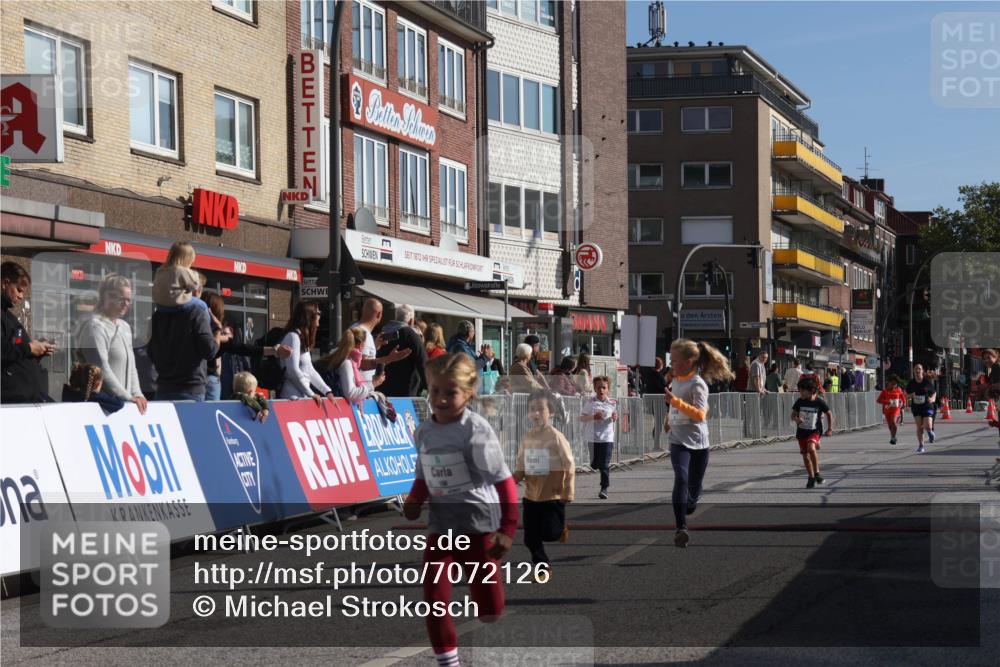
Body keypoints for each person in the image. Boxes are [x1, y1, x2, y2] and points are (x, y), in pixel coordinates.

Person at [402, 354, 518, 667]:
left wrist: (507, 529)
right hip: (441, 528)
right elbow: (424, 475)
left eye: (450, 392)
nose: (440, 399)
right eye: (434, 390)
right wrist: (414, 500)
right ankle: (448, 662)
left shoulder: (476, 431)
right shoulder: (424, 432)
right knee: (434, 600)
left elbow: (504, 482)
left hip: (478, 526)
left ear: (468, 393)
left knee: (490, 610)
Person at [663, 339, 734, 547]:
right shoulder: (675, 379)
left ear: (689, 362)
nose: (671, 364)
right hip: (678, 440)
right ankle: (681, 528)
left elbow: (700, 415)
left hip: (698, 442)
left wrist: (675, 402)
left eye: (674, 360)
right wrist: (668, 418)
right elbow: (674, 406)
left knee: (694, 486)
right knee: (681, 479)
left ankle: (693, 499)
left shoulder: (697, 384)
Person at [513, 389, 574, 573]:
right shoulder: (527, 437)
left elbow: (569, 464)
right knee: (530, 538)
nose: (536, 413)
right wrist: (510, 481)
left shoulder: (556, 436)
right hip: (531, 495)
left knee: (550, 533)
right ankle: (543, 566)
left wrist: (568, 490)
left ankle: (561, 529)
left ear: (551, 412)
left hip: (553, 495)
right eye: (532, 409)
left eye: (541, 409)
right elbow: (521, 464)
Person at [76, 274, 148, 413]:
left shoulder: (124, 327)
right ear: (106, 297)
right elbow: (101, 368)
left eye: (128, 300)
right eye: (121, 299)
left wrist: (138, 394)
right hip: (101, 408)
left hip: (121, 406)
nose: (126, 304)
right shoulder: (94, 326)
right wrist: (127, 397)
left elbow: (132, 367)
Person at [149, 266, 220, 402]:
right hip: (190, 389)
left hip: (163, 387)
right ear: (196, 290)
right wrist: (217, 330)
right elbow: (209, 351)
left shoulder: (159, 314)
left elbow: (152, 353)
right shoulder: (197, 310)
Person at [1, 261, 55, 403]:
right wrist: (30, 348)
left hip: (26, 398)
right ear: (5, 283)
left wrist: (37, 351)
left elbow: (15, 349)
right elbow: (4, 352)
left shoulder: (9, 317)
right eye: (19, 290)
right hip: (10, 401)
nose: (21, 297)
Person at [279, 301, 335, 405]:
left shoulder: (301, 338)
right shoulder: (293, 337)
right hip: (292, 397)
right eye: (318, 313)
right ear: (309, 316)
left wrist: (327, 391)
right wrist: (311, 393)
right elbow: (292, 370)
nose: (320, 316)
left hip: (302, 396)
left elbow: (309, 369)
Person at [351, 298, 411, 391]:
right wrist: (390, 358)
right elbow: (361, 363)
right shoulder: (364, 333)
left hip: (359, 389)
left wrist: (375, 346)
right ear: (379, 314)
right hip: (360, 390)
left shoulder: (355, 328)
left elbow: (356, 358)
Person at [321, 326, 383, 404]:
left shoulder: (345, 359)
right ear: (361, 344)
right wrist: (373, 383)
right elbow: (351, 393)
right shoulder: (346, 363)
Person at [791, 375, 834, 488]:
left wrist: (830, 428)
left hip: (815, 430)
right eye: (799, 390)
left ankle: (817, 473)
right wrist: (796, 419)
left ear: (810, 391)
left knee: (811, 448)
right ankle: (811, 477)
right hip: (802, 432)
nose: (800, 393)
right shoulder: (800, 401)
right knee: (806, 457)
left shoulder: (819, 402)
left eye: (802, 391)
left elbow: (829, 414)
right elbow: (792, 415)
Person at [378, 304, 427, 398]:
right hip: (404, 390)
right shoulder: (410, 334)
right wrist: (430, 387)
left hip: (382, 388)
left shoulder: (384, 333)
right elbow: (422, 361)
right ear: (411, 320)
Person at [581, 375, 617, 499]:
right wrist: (593, 417)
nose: (601, 390)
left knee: (605, 464)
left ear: (608, 389)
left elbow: (615, 415)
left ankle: (604, 488)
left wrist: (615, 417)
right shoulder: (590, 402)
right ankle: (596, 464)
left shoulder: (612, 403)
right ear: (595, 389)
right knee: (594, 464)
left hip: (607, 438)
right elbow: (582, 418)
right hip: (593, 438)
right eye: (598, 387)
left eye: (604, 387)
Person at [152, 241, 208, 311]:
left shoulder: (161, 270)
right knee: (202, 305)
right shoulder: (181, 271)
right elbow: (195, 284)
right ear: (187, 260)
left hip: (160, 305)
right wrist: (194, 273)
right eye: (191, 262)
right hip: (175, 304)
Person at [61, 363, 125, 414]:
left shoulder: (68, 393)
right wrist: (97, 392)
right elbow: (119, 404)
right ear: (97, 384)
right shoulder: (94, 397)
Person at [906, 363, 937, 453]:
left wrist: (932, 399)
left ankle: (930, 432)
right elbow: (906, 395)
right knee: (919, 427)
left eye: (919, 369)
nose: (917, 370)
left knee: (928, 425)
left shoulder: (927, 382)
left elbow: (934, 392)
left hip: (927, 405)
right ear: (913, 371)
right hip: (916, 407)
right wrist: (911, 395)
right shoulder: (911, 383)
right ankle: (921, 445)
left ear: (922, 371)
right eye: (916, 369)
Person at [877, 375, 906, 445]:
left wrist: (904, 404)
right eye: (892, 383)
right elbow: (878, 400)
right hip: (887, 410)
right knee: (890, 425)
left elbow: (903, 397)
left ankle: (893, 437)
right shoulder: (885, 391)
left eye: (895, 384)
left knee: (893, 422)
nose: (893, 385)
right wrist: (887, 402)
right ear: (889, 383)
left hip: (896, 409)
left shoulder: (898, 390)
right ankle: (893, 437)